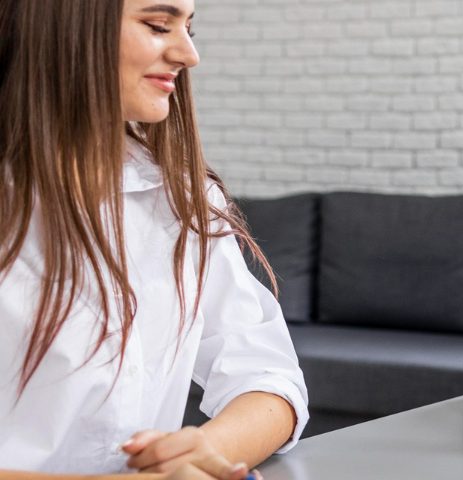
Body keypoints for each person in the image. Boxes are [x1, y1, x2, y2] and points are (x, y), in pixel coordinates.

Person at [0, 0, 310, 478]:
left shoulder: (180, 198)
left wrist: (200, 453)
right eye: (158, 25)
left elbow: (269, 376)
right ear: (63, 23)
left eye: (189, 28)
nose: (189, 54)